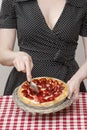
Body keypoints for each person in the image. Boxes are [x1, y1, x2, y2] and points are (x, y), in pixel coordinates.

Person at [0, 0, 87, 100]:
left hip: (69, 84)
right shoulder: (11, 1)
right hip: (25, 85)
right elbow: (2, 54)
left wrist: (78, 78)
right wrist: (16, 56)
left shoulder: (82, 2)